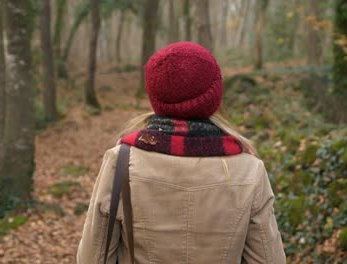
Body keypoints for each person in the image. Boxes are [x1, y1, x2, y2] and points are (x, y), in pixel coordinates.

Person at [77, 42, 286, 264]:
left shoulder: (121, 162)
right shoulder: (249, 170)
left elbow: (92, 258)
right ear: (214, 95)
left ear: (155, 96)